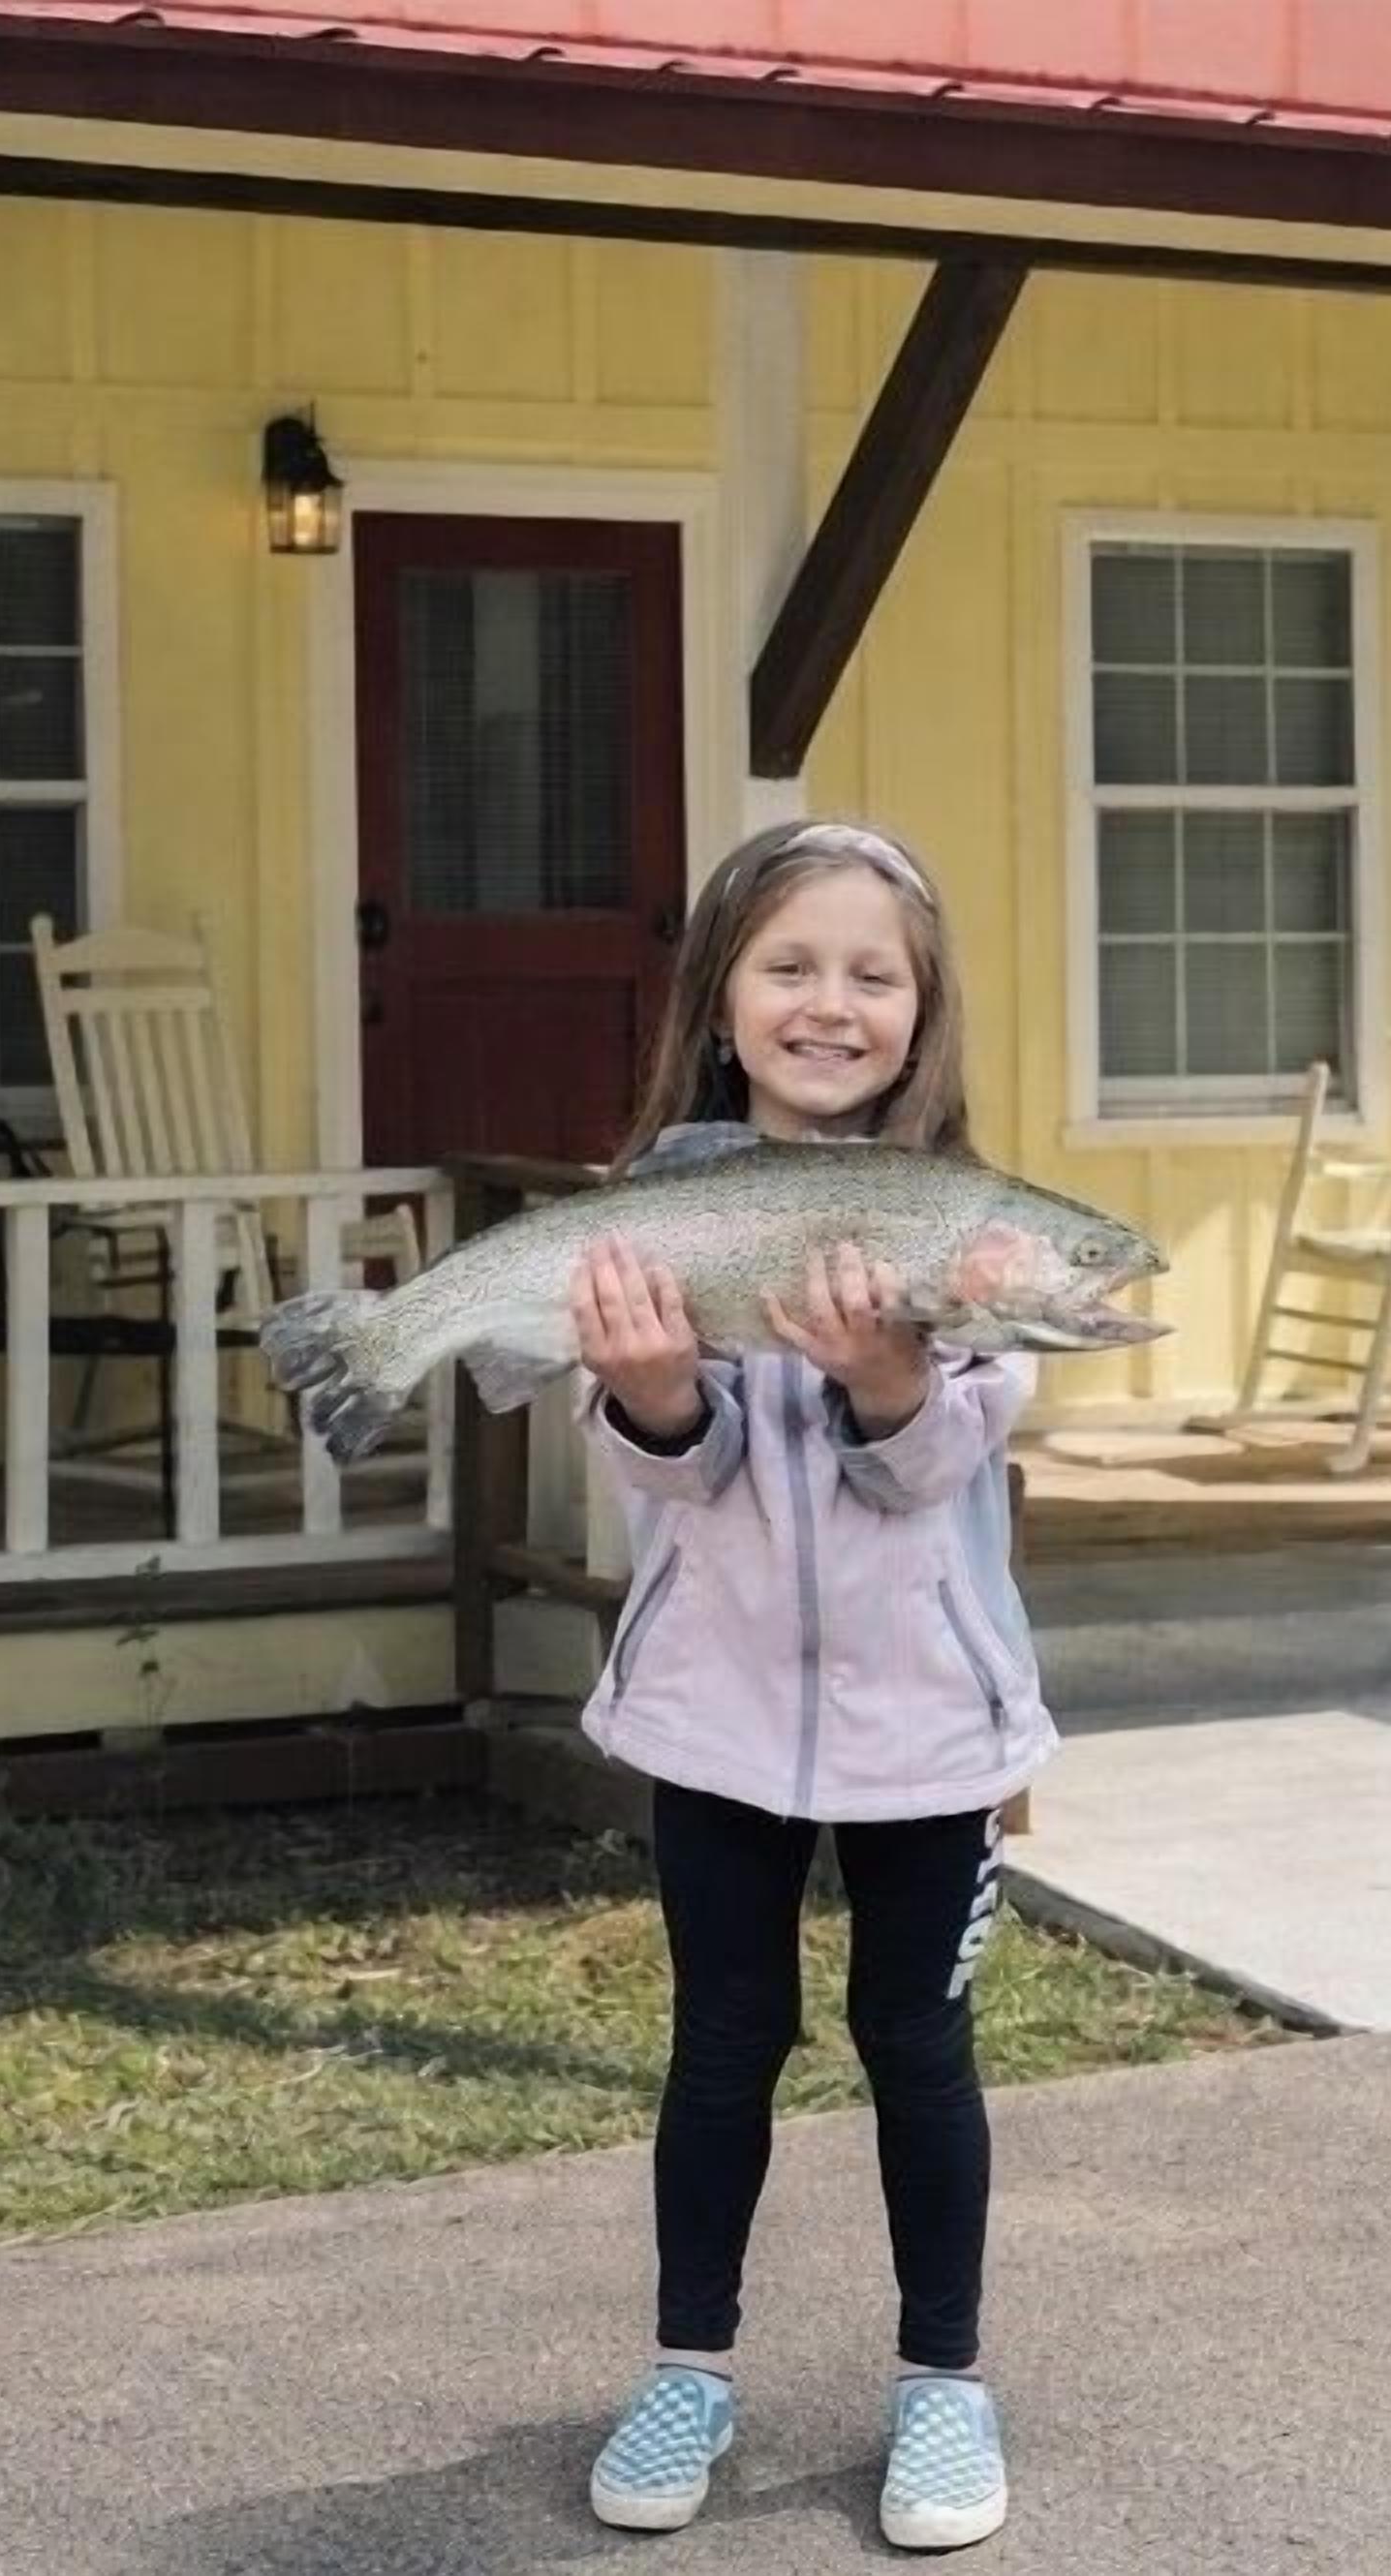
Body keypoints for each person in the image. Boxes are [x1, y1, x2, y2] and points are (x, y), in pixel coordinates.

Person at [572, 817, 1056, 2553]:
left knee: (914, 2045)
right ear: (723, 1003)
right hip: (709, 1719)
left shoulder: (966, 1228)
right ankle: (689, 2368)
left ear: (922, 1017)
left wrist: (885, 1380)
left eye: (873, 974)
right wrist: (654, 1395)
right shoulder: (653, 1209)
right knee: (723, 2047)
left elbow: (941, 1481)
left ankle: (943, 2387)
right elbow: (660, 1480)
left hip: (927, 1729)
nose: (830, 1003)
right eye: (791, 966)